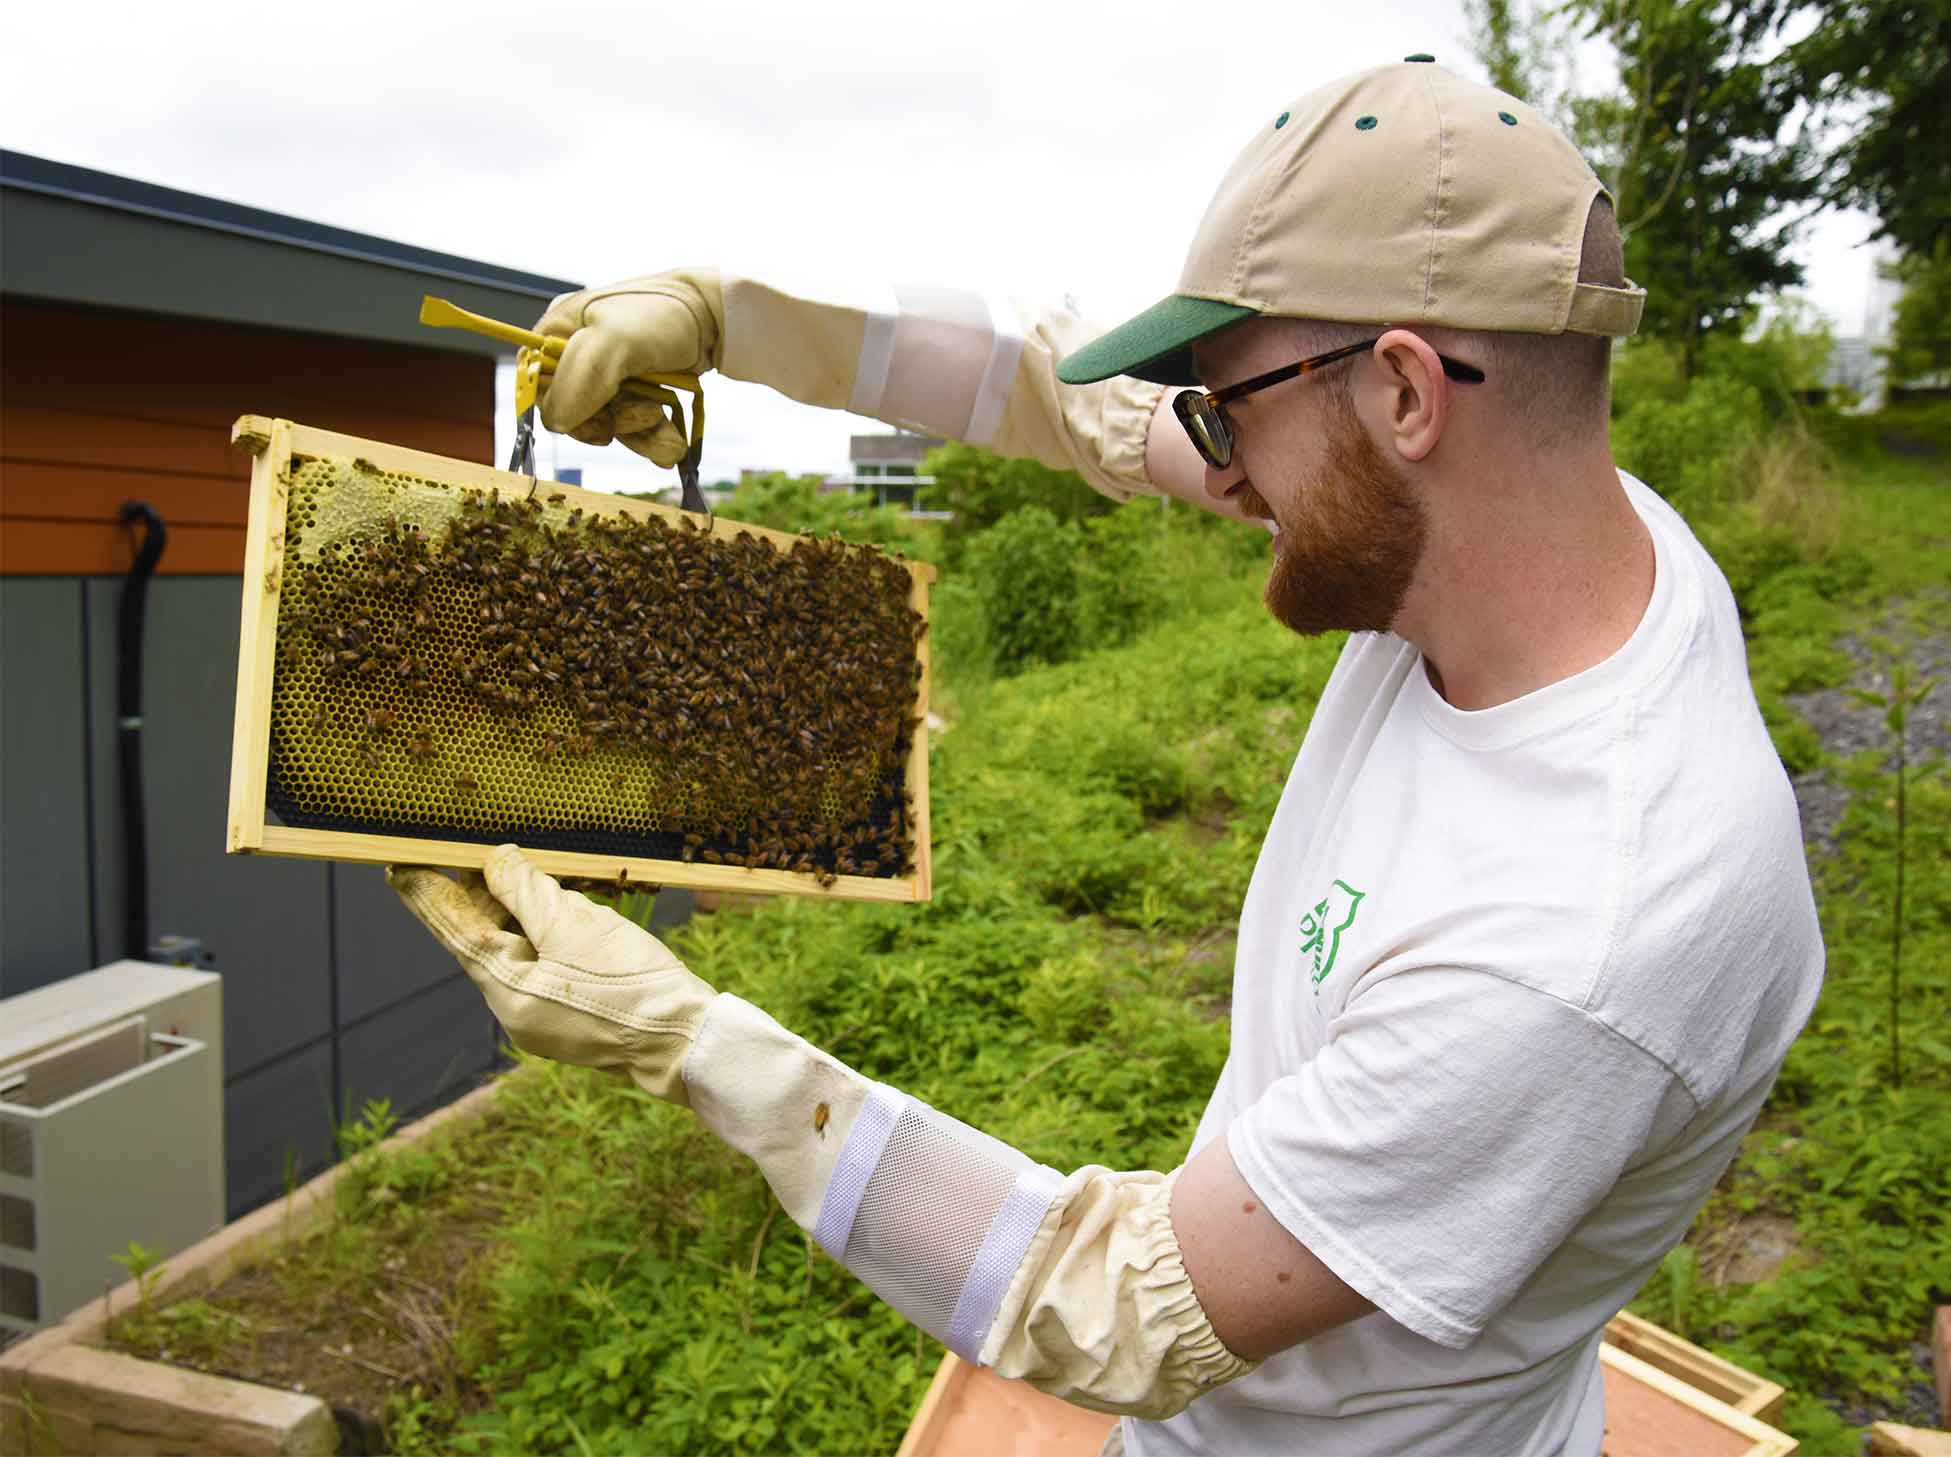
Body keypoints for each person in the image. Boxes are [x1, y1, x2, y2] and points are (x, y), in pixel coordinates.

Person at [391, 59, 1824, 1457]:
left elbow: (1112, 1303)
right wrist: (727, 315)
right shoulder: (1533, 527)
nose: (1217, 465)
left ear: (1405, 393)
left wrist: (690, 1040)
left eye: (1228, 408)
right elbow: (1073, 400)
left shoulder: (1582, 937)